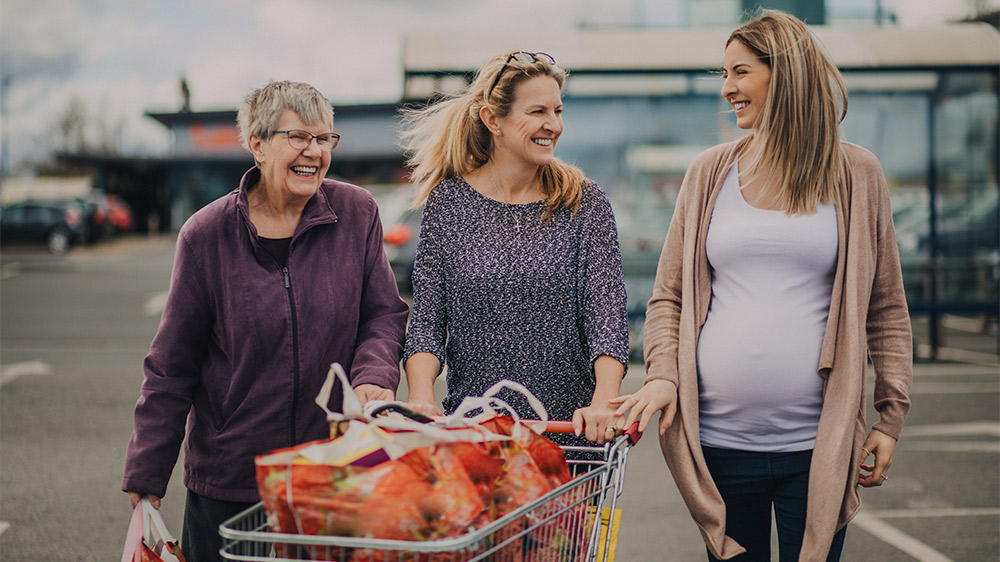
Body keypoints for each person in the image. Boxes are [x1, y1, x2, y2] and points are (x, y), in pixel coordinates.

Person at [612, 11, 913, 561]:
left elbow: (886, 306)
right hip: (721, 448)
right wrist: (660, 374)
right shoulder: (709, 173)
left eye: (740, 72)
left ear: (786, 73)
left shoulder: (857, 174)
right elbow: (669, 296)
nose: (727, 88)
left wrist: (890, 416)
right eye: (724, 74)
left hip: (816, 448)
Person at [122, 80, 409, 561]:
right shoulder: (206, 235)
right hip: (232, 482)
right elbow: (172, 365)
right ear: (256, 143)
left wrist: (375, 375)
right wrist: (147, 471)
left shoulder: (357, 214)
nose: (314, 152)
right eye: (298, 137)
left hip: (332, 469)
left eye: (324, 140)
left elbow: (383, 314)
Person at [398, 50, 630, 446]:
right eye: (538, 111)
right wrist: (421, 398)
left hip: (568, 441)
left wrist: (604, 401)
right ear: (493, 120)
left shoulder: (584, 202)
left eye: (558, 111)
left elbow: (606, 318)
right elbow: (427, 321)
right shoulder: (448, 204)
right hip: (474, 435)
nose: (553, 125)